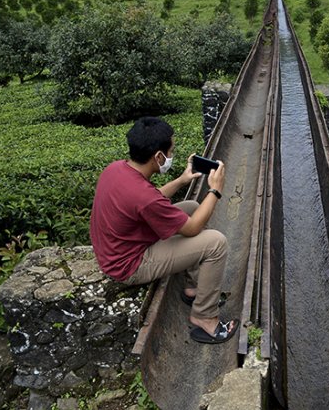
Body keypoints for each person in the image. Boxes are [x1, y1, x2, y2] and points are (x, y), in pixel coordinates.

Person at [90, 116, 238, 344]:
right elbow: (191, 228)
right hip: (130, 265)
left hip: (119, 247)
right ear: (158, 156)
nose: (171, 156)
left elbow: (150, 197)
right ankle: (204, 317)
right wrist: (215, 191)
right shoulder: (143, 195)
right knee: (216, 243)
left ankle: (194, 289)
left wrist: (181, 180)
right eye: (170, 151)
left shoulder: (117, 169)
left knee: (191, 207)